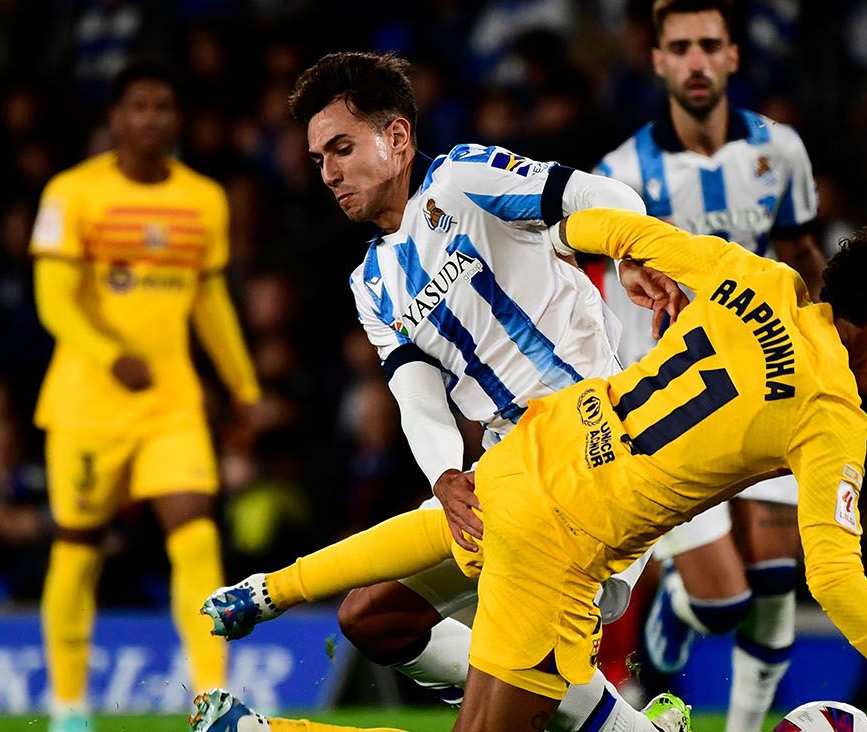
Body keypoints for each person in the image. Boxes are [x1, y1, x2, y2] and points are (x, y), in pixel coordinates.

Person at [195, 209, 867, 732]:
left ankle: (596, 716)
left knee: (372, 620)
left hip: (533, 448)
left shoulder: (751, 275)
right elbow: (836, 577)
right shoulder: (832, 414)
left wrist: (628, 263)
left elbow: (609, 227)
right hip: (563, 543)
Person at [202, 51, 691, 732]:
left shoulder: (464, 180)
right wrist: (443, 474)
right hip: (507, 477)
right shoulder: (370, 284)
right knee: (372, 618)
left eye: (342, 147)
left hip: (594, 457)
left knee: (494, 710)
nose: (330, 172)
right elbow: (416, 394)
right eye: (318, 160)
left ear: (397, 138)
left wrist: (630, 250)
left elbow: (601, 197)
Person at [593, 3, 825, 727]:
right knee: (725, 604)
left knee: (780, 577)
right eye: (680, 47)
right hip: (673, 407)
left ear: (732, 56)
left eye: (709, 46)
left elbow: (802, 256)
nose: (696, 61)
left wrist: (823, 348)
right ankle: (677, 612)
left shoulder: (781, 152)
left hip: (769, 387)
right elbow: (578, 271)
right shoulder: (622, 172)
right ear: (658, 60)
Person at [29, 60, 261, 732]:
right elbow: (52, 299)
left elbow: (210, 302)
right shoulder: (71, 193)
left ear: (177, 118)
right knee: (78, 544)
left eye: (164, 106)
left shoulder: (204, 199)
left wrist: (242, 385)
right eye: (140, 106)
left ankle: (212, 699)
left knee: (196, 536)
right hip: (86, 404)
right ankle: (69, 708)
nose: (152, 118)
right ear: (116, 117)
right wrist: (109, 354)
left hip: (172, 403)